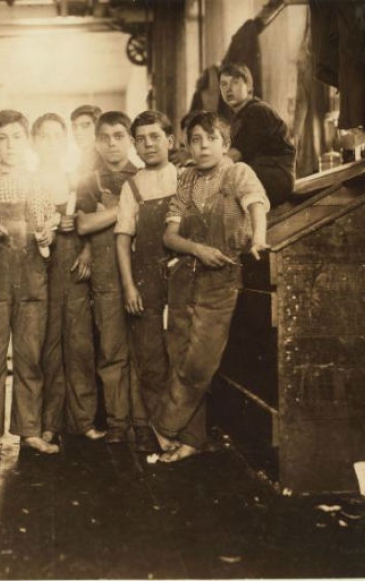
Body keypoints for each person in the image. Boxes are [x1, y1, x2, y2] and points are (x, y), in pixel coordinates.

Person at [154, 110, 269, 462]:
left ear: (226, 143)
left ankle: (162, 423)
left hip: (222, 278)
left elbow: (256, 205)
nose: (203, 147)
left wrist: (259, 239)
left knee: (200, 362)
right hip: (184, 277)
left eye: (211, 139)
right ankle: (191, 440)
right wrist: (198, 249)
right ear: (187, 146)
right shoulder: (186, 179)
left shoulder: (237, 173)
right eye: (195, 141)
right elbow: (169, 236)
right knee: (179, 358)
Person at [0, 110, 59, 455]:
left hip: (32, 280)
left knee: (29, 357)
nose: (10, 145)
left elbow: (48, 231)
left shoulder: (38, 181)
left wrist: (45, 233)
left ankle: (29, 431)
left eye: (16, 137)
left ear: (26, 142)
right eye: (2, 138)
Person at [33, 113, 102, 445]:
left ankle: (84, 420)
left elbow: (92, 221)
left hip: (74, 265)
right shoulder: (29, 181)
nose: (51, 143)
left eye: (57, 136)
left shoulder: (79, 179)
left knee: (80, 344)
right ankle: (50, 423)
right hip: (42, 269)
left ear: (65, 142)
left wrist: (87, 250)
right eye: (43, 137)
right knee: (49, 347)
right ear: (35, 142)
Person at [114, 110, 179, 453]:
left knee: (183, 356)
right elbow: (123, 239)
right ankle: (159, 432)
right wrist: (128, 286)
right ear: (135, 146)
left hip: (183, 277)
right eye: (141, 139)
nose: (148, 144)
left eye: (155, 137)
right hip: (145, 279)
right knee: (151, 357)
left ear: (170, 141)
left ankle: (186, 432)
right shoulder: (132, 186)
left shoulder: (186, 177)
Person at [75, 111, 141, 448]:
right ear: (97, 143)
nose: (112, 143)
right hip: (105, 275)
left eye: (119, 135)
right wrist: (132, 206)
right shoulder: (89, 181)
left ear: (131, 139)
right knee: (112, 350)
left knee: (147, 351)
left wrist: (108, 214)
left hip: (143, 274)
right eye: (105, 137)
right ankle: (117, 423)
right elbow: (83, 225)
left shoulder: (146, 173)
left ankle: (147, 424)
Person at [218, 62, 295, 207]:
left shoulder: (258, 111)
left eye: (235, 82)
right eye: (223, 84)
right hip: (260, 175)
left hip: (275, 177)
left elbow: (234, 155)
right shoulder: (240, 117)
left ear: (249, 87)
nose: (228, 89)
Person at [70, 104, 103, 175]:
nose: (77, 132)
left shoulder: (105, 163)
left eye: (85, 126)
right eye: (74, 126)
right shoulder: (82, 161)